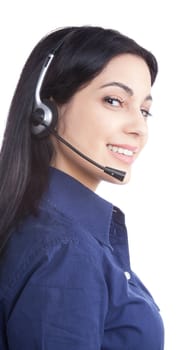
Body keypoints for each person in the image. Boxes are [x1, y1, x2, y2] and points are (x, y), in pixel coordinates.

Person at [0, 26, 164, 349]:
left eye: (144, 110)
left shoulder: (47, 229)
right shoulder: (67, 251)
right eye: (114, 100)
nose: (138, 128)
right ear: (45, 112)